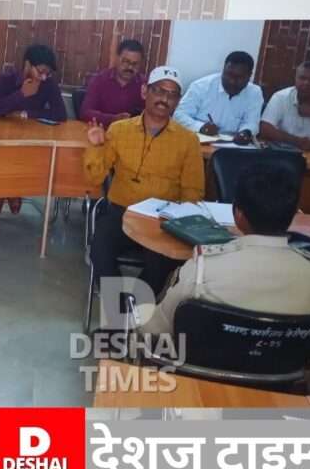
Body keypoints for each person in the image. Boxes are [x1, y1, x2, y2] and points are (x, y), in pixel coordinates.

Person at [143, 163, 310, 335]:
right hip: (281, 372)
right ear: (294, 213)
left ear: (238, 214)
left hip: (200, 369)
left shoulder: (204, 269)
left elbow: (156, 329)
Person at [84, 66, 204, 296]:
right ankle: (120, 315)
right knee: (100, 248)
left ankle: (131, 315)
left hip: (163, 220)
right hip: (121, 213)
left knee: (164, 261)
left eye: (171, 94)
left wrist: (179, 225)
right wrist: (96, 148)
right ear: (144, 92)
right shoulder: (119, 130)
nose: (164, 99)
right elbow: (94, 177)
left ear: (178, 101)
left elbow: (193, 191)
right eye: (158, 91)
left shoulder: (188, 141)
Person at [0, 44, 67, 218]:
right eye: (40, 71)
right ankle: (2, 192)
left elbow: (60, 114)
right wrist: (21, 94)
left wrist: (27, 113)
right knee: (7, 153)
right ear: (28, 65)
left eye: (48, 73)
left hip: (30, 138)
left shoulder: (48, 84)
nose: (44, 77)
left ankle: (13, 190)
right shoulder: (6, 79)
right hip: (1, 138)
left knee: (28, 155)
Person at [173, 51, 263, 144]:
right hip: (200, 143)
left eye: (238, 77)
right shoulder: (201, 86)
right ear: (223, 69)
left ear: (249, 76)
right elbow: (179, 115)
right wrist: (201, 127)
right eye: (229, 75)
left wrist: (246, 132)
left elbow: (252, 123)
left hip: (233, 147)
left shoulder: (254, 93)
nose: (232, 81)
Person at [79, 39, 146, 127]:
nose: (130, 67)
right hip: (102, 132)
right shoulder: (100, 80)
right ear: (117, 58)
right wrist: (113, 119)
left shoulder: (145, 85)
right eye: (126, 62)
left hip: (132, 135)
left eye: (135, 64)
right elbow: (85, 113)